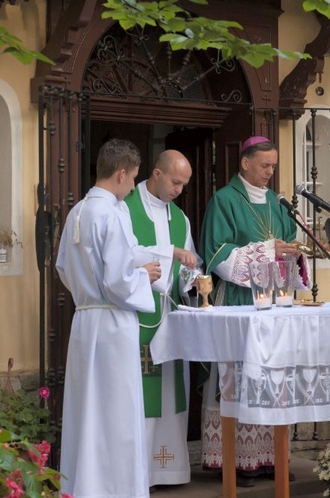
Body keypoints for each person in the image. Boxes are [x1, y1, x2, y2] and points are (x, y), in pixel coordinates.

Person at [198, 136, 311, 486]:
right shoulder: (224, 200)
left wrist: (292, 253)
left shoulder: (279, 204)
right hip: (238, 302)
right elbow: (215, 254)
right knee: (238, 379)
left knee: (273, 381)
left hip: (275, 305)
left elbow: (290, 242)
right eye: (265, 165)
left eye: (273, 166)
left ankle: (270, 457)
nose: (270, 172)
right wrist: (265, 250)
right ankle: (231, 462)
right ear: (245, 163)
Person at [56, 138, 162, 498]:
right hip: (114, 323)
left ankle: (85, 487)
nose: (133, 186)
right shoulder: (111, 213)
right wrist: (143, 276)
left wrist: (90, 292)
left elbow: (63, 267)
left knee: (87, 410)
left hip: (86, 319)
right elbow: (119, 280)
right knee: (117, 413)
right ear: (120, 174)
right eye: (133, 178)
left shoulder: (79, 211)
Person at [125, 149, 200, 488]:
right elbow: (119, 260)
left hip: (169, 315)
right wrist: (167, 258)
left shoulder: (180, 219)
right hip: (136, 316)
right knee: (140, 395)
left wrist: (193, 279)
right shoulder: (124, 209)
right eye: (175, 182)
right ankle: (137, 474)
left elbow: (187, 267)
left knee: (171, 391)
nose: (179, 190)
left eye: (184, 185)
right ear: (156, 174)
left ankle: (167, 469)